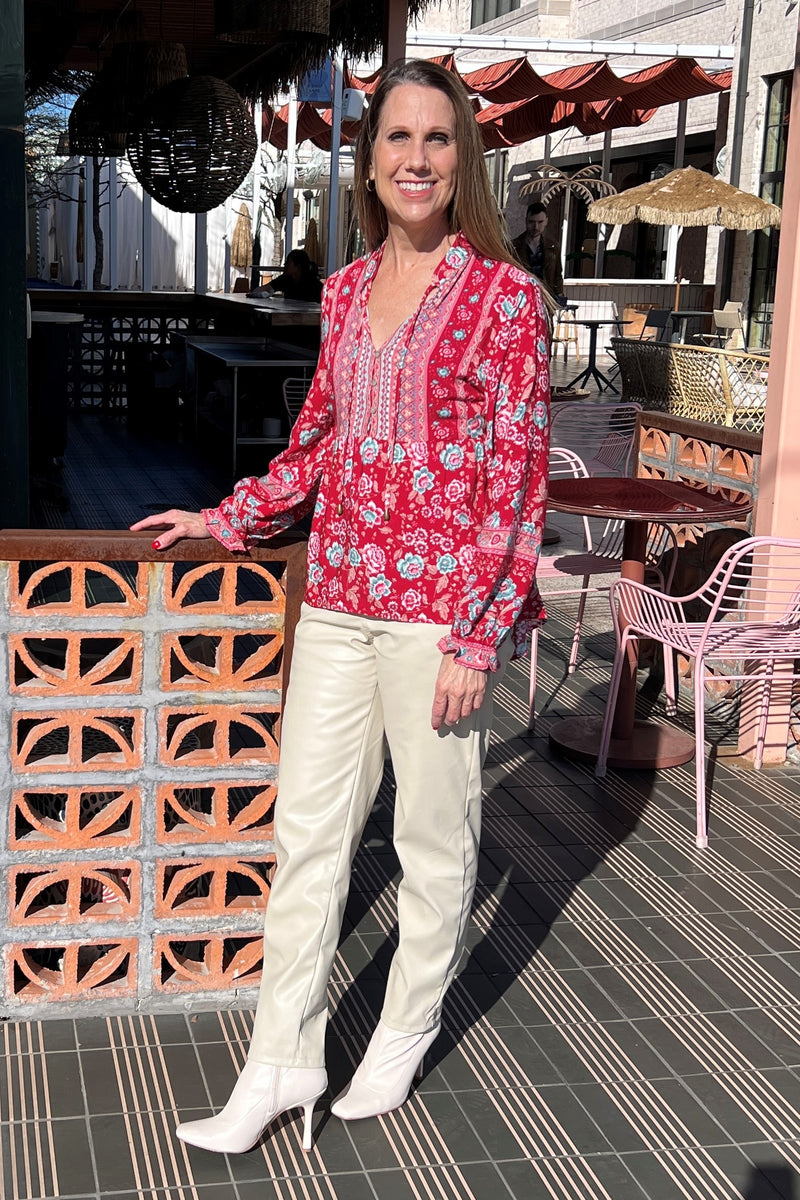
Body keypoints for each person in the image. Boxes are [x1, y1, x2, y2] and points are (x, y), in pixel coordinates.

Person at [131, 58, 550, 1158]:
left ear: (463, 161)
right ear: (370, 162)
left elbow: (516, 482)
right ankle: (280, 1060)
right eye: (398, 140)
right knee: (307, 838)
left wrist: (477, 631)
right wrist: (223, 518)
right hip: (340, 601)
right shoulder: (344, 291)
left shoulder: (509, 302)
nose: (416, 158)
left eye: (437, 140)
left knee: (431, 839)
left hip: (436, 622)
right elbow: (316, 444)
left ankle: (404, 1026)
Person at [511, 201, 566, 304]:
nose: (535, 227)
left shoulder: (553, 247)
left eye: (540, 222)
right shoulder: (514, 247)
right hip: (521, 298)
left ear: (546, 221)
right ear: (526, 221)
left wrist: (559, 295)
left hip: (545, 298)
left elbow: (557, 275)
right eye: (531, 222)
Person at [249, 248, 322, 302]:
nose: (285, 264)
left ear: (298, 267)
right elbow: (259, 290)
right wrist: (263, 294)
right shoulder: (285, 279)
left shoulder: (313, 285)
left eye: (288, 262)